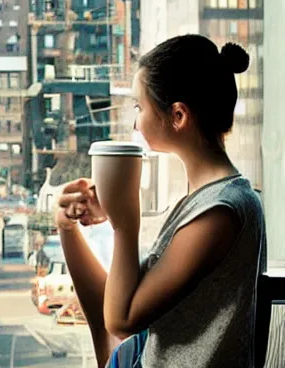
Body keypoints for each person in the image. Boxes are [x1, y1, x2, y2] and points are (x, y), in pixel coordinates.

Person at [56, 35, 267, 368]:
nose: (135, 123)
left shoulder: (218, 213)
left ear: (178, 116)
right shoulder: (207, 201)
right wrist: (68, 227)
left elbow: (120, 321)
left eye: (140, 107)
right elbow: (112, 309)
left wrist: (126, 223)